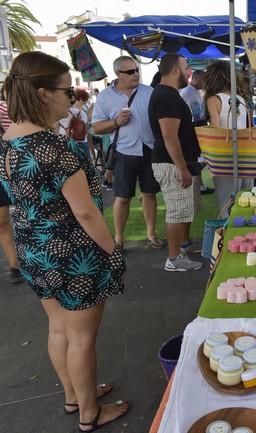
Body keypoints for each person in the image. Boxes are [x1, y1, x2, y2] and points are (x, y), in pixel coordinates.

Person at [0, 51, 129, 432]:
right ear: (42, 93)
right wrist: (113, 249)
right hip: (73, 255)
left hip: (34, 250)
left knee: (59, 329)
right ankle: (90, 413)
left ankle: (76, 396)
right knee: (81, 339)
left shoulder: (8, 139)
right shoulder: (53, 148)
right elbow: (86, 213)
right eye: (67, 90)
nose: (72, 97)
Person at [91, 56, 163, 250]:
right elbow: (96, 128)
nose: (136, 74)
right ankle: (119, 239)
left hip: (149, 149)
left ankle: (151, 234)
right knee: (122, 197)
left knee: (150, 194)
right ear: (118, 74)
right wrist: (115, 122)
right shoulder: (105, 97)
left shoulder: (149, 92)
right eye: (130, 72)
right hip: (124, 152)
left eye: (136, 70)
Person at [149, 54, 203, 272]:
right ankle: (173, 258)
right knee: (176, 212)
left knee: (180, 211)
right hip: (171, 164)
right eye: (186, 67)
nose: (189, 71)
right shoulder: (166, 96)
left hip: (174, 163)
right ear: (174, 70)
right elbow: (169, 136)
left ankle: (178, 253)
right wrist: (182, 168)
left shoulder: (168, 94)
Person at [203, 61, 253, 218]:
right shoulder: (241, 100)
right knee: (246, 202)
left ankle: (227, 239)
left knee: (226, 203)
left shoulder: (214, 100)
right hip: (247, 155)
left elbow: (216, 131)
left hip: (225, 157)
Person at [180, 69, 214, 195]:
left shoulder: (197, 92)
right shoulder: (187, 92)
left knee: (200, 156)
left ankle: (200, 186)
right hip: (193, 127)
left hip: (200, 124)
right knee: (199, 157)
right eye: (203, 80)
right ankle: (196, 185)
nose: (205, 83)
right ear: (196, 79)